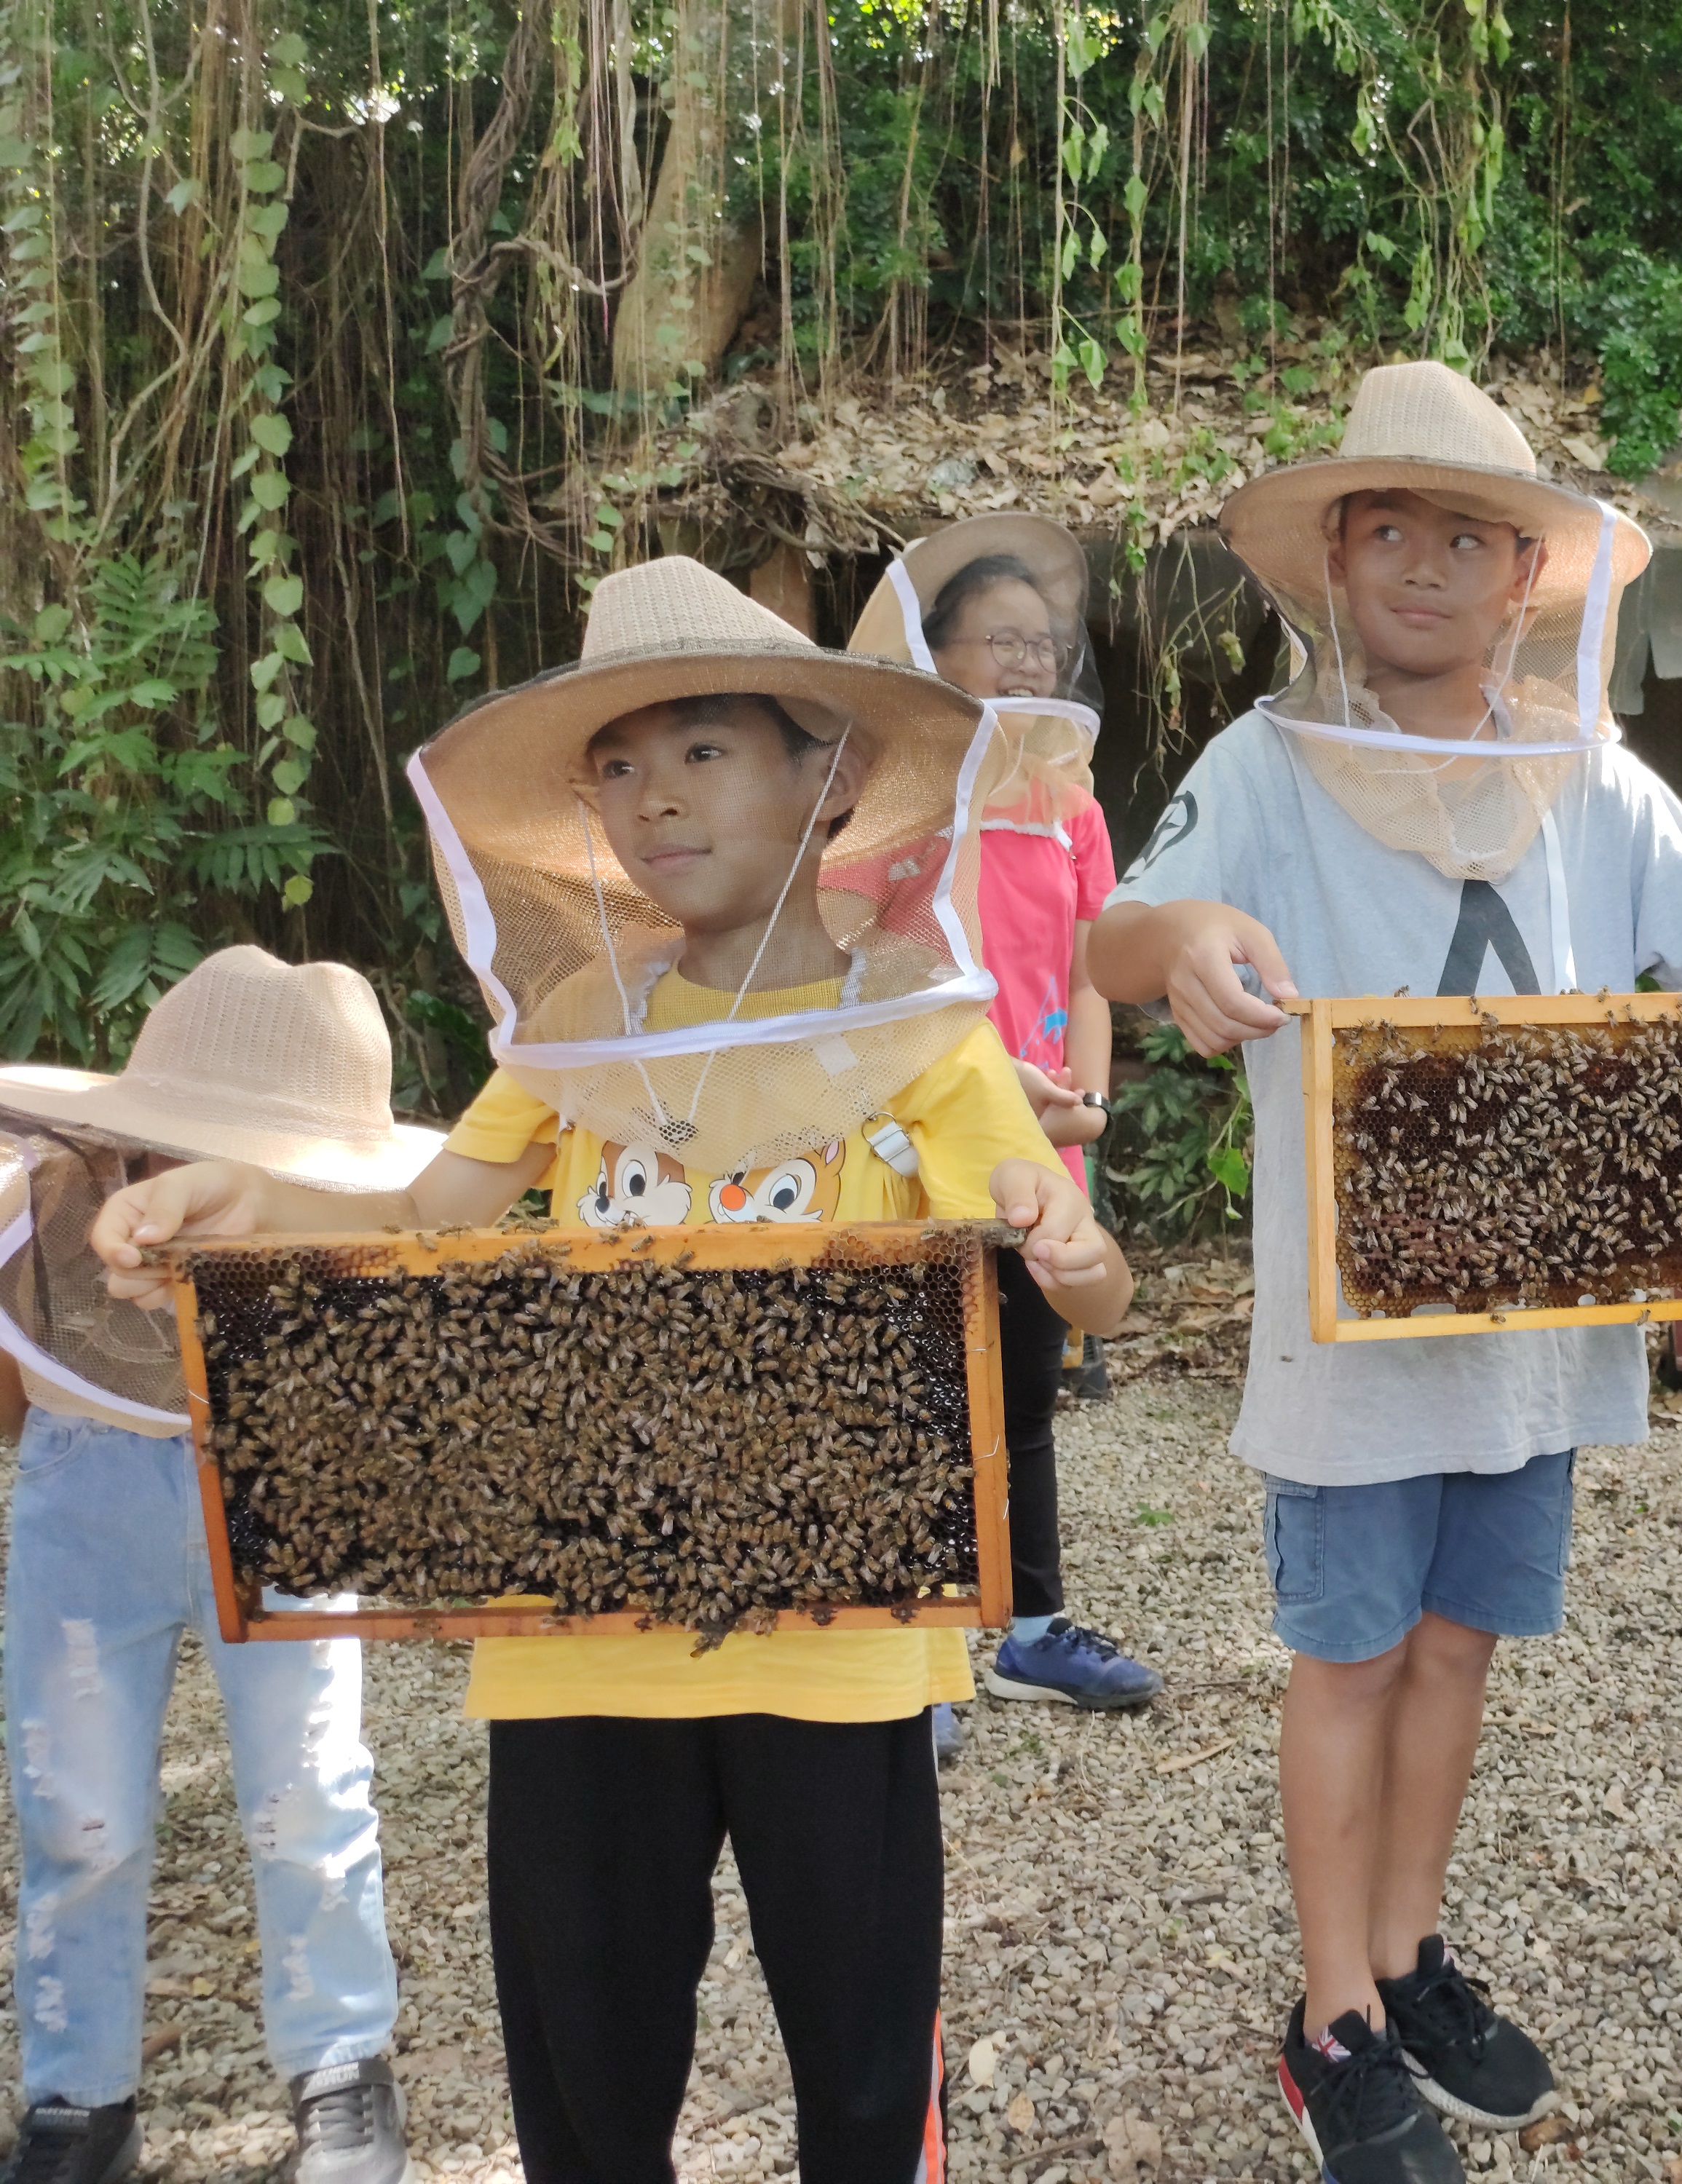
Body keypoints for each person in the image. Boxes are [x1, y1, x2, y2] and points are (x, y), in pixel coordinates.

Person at [92, 558, 1132, 2184]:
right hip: (575, 1644)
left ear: (829, 775)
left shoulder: (925, 1034)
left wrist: (1070, 1258)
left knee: (863, 2077)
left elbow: (1080, 1274)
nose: (654, 800)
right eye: (620, 767)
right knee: (585, 2082)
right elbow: (428, 1218)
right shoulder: (580, 1024)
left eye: (703, 750)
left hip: (837, 1650)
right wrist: (247, 1212)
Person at [1089, 361, 1682, 2184]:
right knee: (1344, 1661)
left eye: (1469, 537)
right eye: (1388, 528)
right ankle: (1328, 2013)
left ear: (1527, 580)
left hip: (1533, 1329)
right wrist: (1179, 934)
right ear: (1334, 560)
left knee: (1457, 1645)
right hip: (1344, 1338)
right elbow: (1118, 932)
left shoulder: (1590, 773)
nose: (1424, 564)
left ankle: (1409, 1959)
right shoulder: (1259, 764)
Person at [0, 949, 432, 2184]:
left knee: (311, 1801)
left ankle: (344, 2074)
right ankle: (79, 2102)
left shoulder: (344, 1230)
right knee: (74, 1812)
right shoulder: (39, 1206)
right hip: (90, 1499)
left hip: (284, 1486)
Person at [849, 515, 1160, 1714]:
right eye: (999, 640)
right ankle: (913, 1667)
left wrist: (1083, 1105)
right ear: (933, 653)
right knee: (919, 1383)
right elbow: (866, 971)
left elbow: (1093, 969)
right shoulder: (890, 803)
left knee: (1024, 1392)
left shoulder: (1071, 806)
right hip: (912, 1137)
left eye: (1042, 643)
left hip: (1041, 1138)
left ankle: (1033, 1629)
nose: (1027, 663)